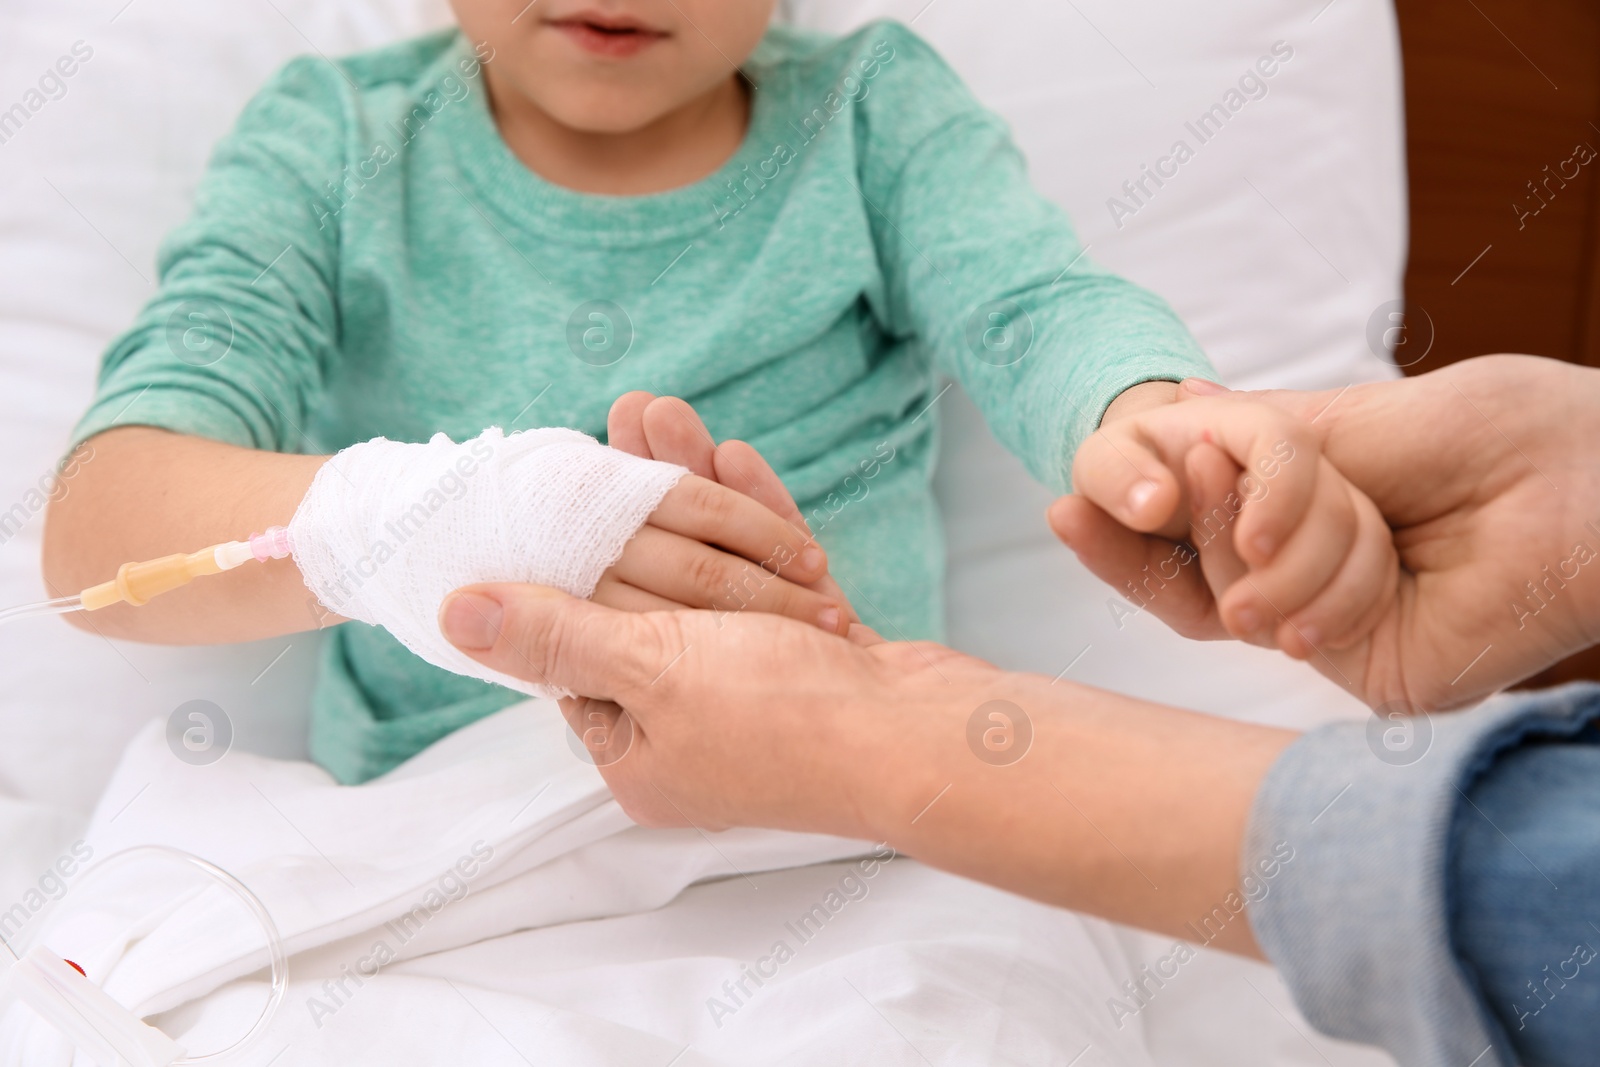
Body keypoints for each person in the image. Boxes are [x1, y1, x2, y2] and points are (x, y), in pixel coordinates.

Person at [44, 1, 1230, 784]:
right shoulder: (333, 145)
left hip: (835, 824)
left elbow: (1039, 311)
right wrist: (444, 518)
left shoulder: (870, 118)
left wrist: (1157, 430)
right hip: (433, 856)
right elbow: (100, 545)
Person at [437, 354, 1600, 1067]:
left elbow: (1551, 900)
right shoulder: (332, 133)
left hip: (887, 861)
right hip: (445, 836)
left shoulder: (868, 110)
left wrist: (882, 728)